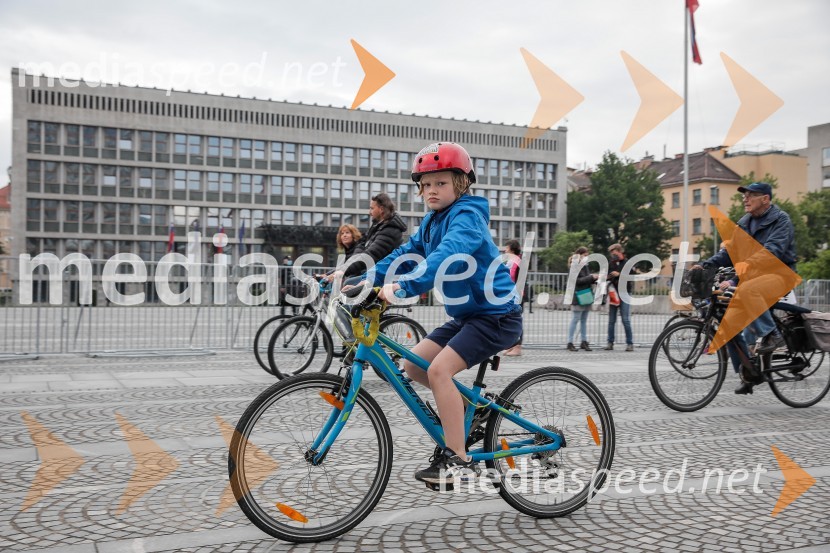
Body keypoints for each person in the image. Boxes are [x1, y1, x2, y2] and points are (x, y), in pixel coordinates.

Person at [351, 142, 522, 485]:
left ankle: (458, 460)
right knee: (414, 365)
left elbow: (446, 256)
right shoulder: (432, 221)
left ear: (461, 184)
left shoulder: (468, 217)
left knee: (440, 370)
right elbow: (405, 254)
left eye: (441, 183)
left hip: (496, 317)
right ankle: (473, 411)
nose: (431, 190)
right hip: (467, 317)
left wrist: (400, 288)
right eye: (426, 184)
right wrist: (360, 276)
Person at [692, 181, 797, 394]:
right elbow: (729, 253)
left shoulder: (781, 219)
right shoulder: (744, 222)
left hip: (780, 275)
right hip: (753, 276)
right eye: (744, 195)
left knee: (747, 290)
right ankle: (748, 372)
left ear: (765, 199)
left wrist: (748, 263)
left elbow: (772, 251)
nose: (745, 199)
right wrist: (705, 265)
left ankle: (772, 334)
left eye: (751, 195)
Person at [566, 247, 598, 352]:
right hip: (578, 295)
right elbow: (577, 281)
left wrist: (594, 279)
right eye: (585, 255)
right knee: (575, 319)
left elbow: (585, 279)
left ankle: (584, 341)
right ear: (579, 255)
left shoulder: (585, 266)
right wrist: (591, 277)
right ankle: (570, 342)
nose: (586, 257)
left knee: (584, 320)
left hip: (585, 295)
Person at [604, 243, 634, 352]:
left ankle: (630, 343)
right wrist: (608, 276)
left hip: (625, 293)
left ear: (619, 251)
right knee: (611, 320)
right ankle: (610, 342)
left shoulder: (627, 262)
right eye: (611, 253)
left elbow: (631, 276)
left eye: (614, 252)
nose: (612, 254)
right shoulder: (610, 263)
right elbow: (607, 276)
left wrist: (619, 274)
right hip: (614, 294)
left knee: (625, 320)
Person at [502, 240, 524, 356]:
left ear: (512, 249)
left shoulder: (518, 262)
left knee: (516, 320)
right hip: (510, 294)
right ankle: (512, 345)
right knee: (509, 319)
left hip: (517, 294)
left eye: (507, 247)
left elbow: (520, 279)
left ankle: (518, 347)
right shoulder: (511, 261)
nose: (505, 250)